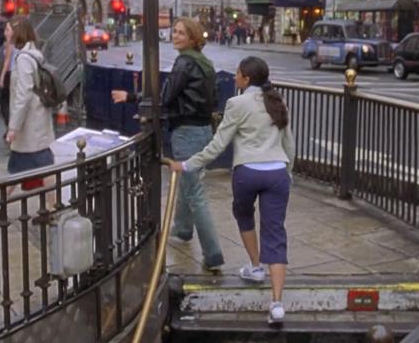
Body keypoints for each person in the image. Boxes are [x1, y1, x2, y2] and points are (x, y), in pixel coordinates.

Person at [163, 56, 295, 325]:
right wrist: (288, 173)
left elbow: (218, 144)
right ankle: (277, 304)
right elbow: (288, 144)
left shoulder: (236, 103)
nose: (234, 77)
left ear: (246, 79)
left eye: (237, 74)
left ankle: (256, 267)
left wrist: (187, 165)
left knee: (244, 216)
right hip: (277, 173)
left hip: (248, 172)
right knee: (275, 232)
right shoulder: (278, 102)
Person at [111, 18, 225, 272]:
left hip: (186, 133)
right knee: (188, 182)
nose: (175, 36)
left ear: (193, 38)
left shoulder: (184, 62)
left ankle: (213, 253)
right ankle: (183, 230)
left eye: (181, 33)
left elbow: (165, 97)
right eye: (174, 31)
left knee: (194, 191)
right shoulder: (204, 63)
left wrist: (130, 97)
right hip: (204, 130)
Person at [0, 17, 56, 221]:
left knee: (34, 165)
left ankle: (50, 209)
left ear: (17, 32)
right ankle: (49, 208)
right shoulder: (32, 53)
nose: (5, 33)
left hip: (30, 124)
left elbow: (23, 94)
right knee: (27, 165)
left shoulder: (24, 58)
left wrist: (13, 126)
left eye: (8, 29)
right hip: (35, 122)